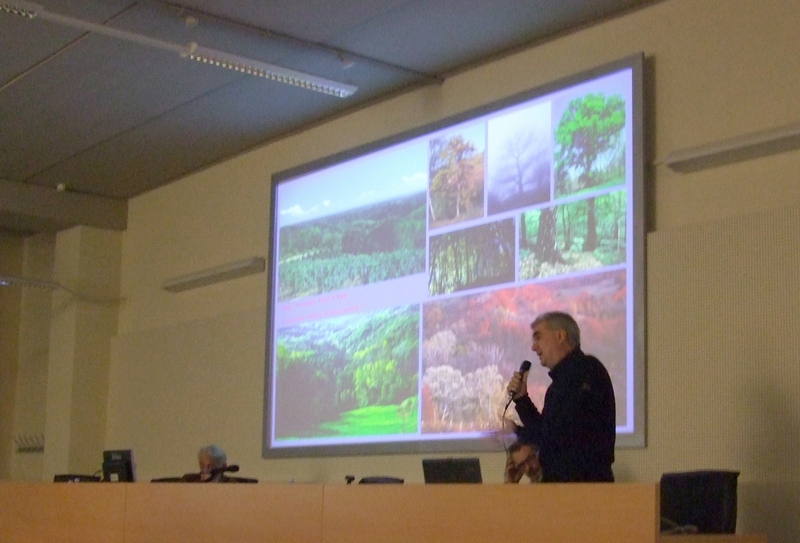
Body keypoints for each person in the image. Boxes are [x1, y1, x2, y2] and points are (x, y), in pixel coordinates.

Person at [506, 311, 616, 482]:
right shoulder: (559, 384)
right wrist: (521, 399)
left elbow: (554, 436)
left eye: (538, 337)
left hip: (584, 490)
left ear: (560, 336)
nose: (534, 347)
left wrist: (517, 429)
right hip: (562, 488)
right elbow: (549, 433)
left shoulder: (587, 371)